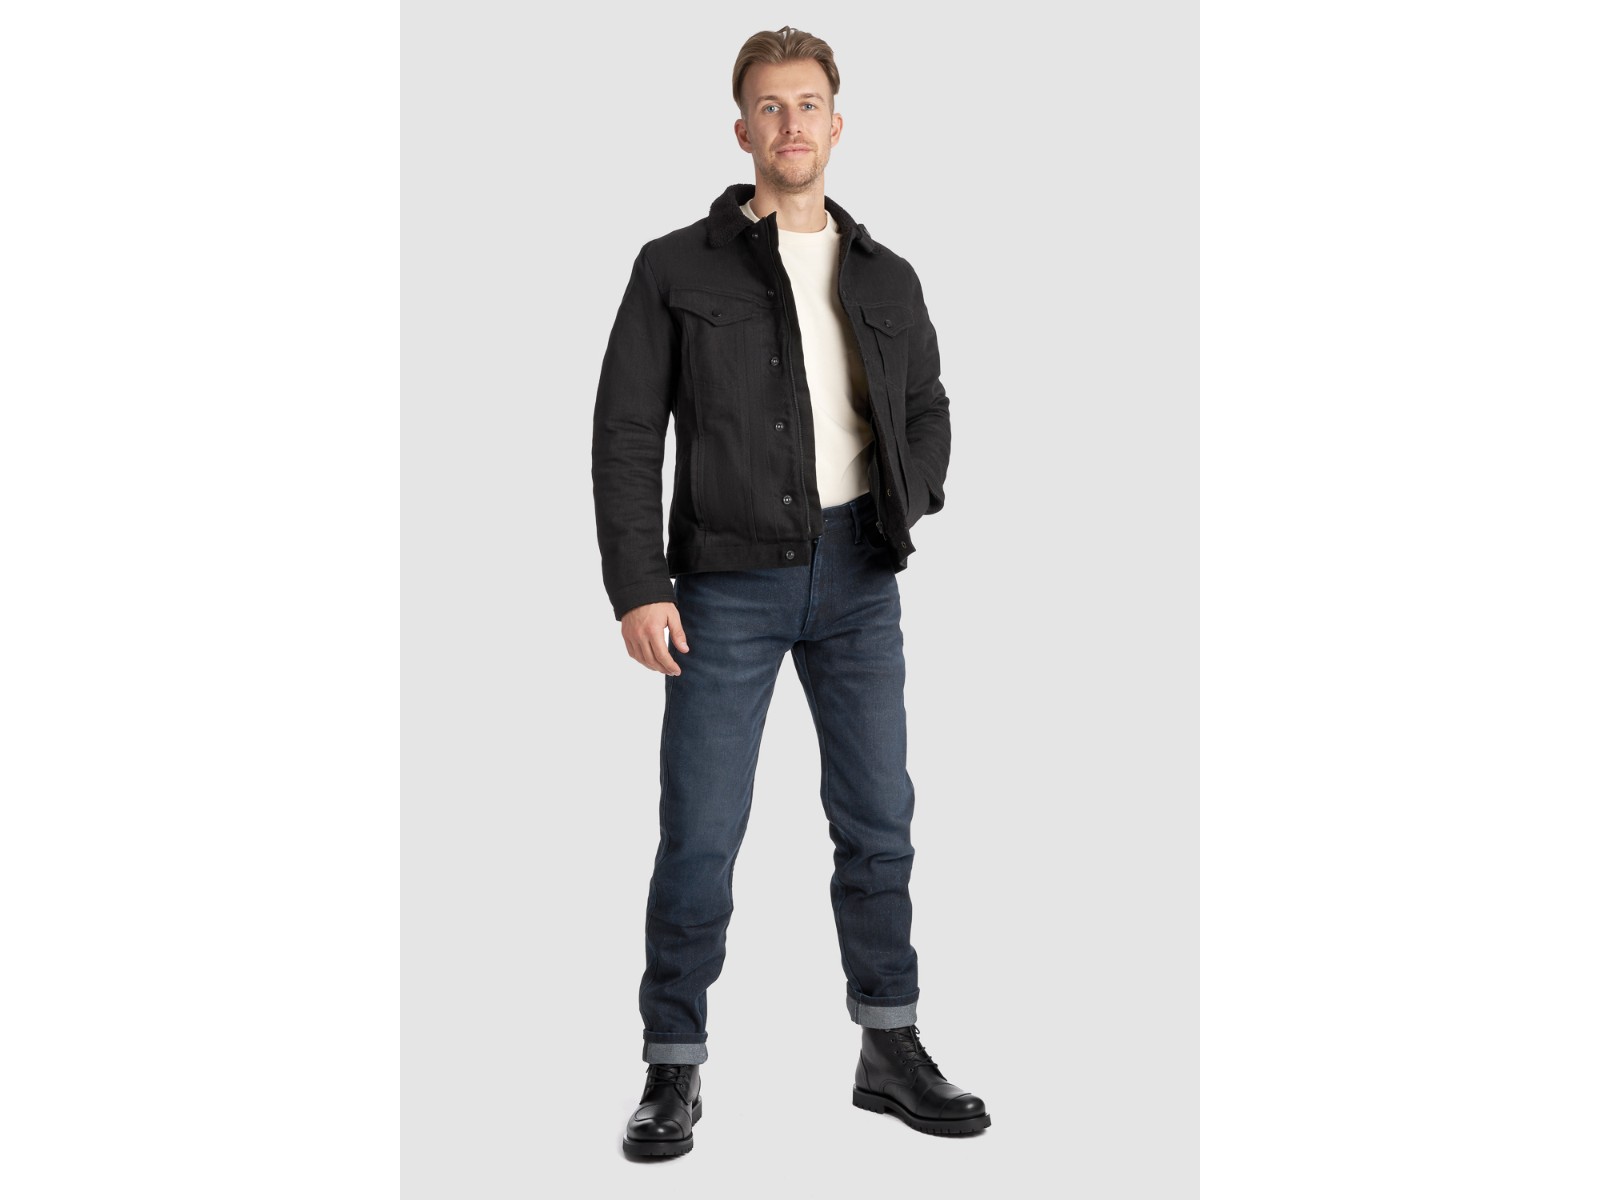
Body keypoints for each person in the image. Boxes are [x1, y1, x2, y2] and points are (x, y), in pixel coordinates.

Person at [592, 26, 988, 1157]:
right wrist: (638, 584)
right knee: (701, 831)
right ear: (742, 130)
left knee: (879, 822)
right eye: (769, 107)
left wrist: (908, 500)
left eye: (807, 104)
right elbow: (626, 433)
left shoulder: (886, 274)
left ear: (837, 123)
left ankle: (890, 1047)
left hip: (860, 578)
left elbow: (930, 409)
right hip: (724, 584)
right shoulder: (675, 267)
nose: (791, 124)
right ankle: (672, 1064)